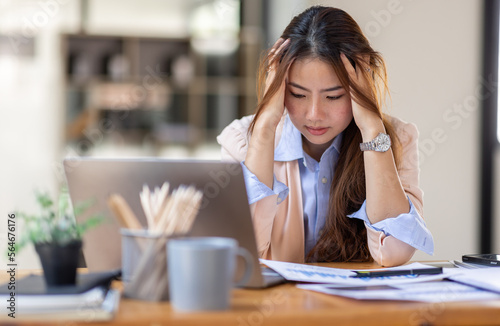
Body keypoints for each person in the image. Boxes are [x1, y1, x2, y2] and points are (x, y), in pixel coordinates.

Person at [217, 6, 434, 266]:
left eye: (333, 96)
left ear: (360, 85)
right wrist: (264, 128)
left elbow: (394, 253)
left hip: (358, 306)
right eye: (298, 94)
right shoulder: (240, 140)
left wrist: (372, 130)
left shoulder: (395, 139)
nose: (314, 115)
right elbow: (240, 254)